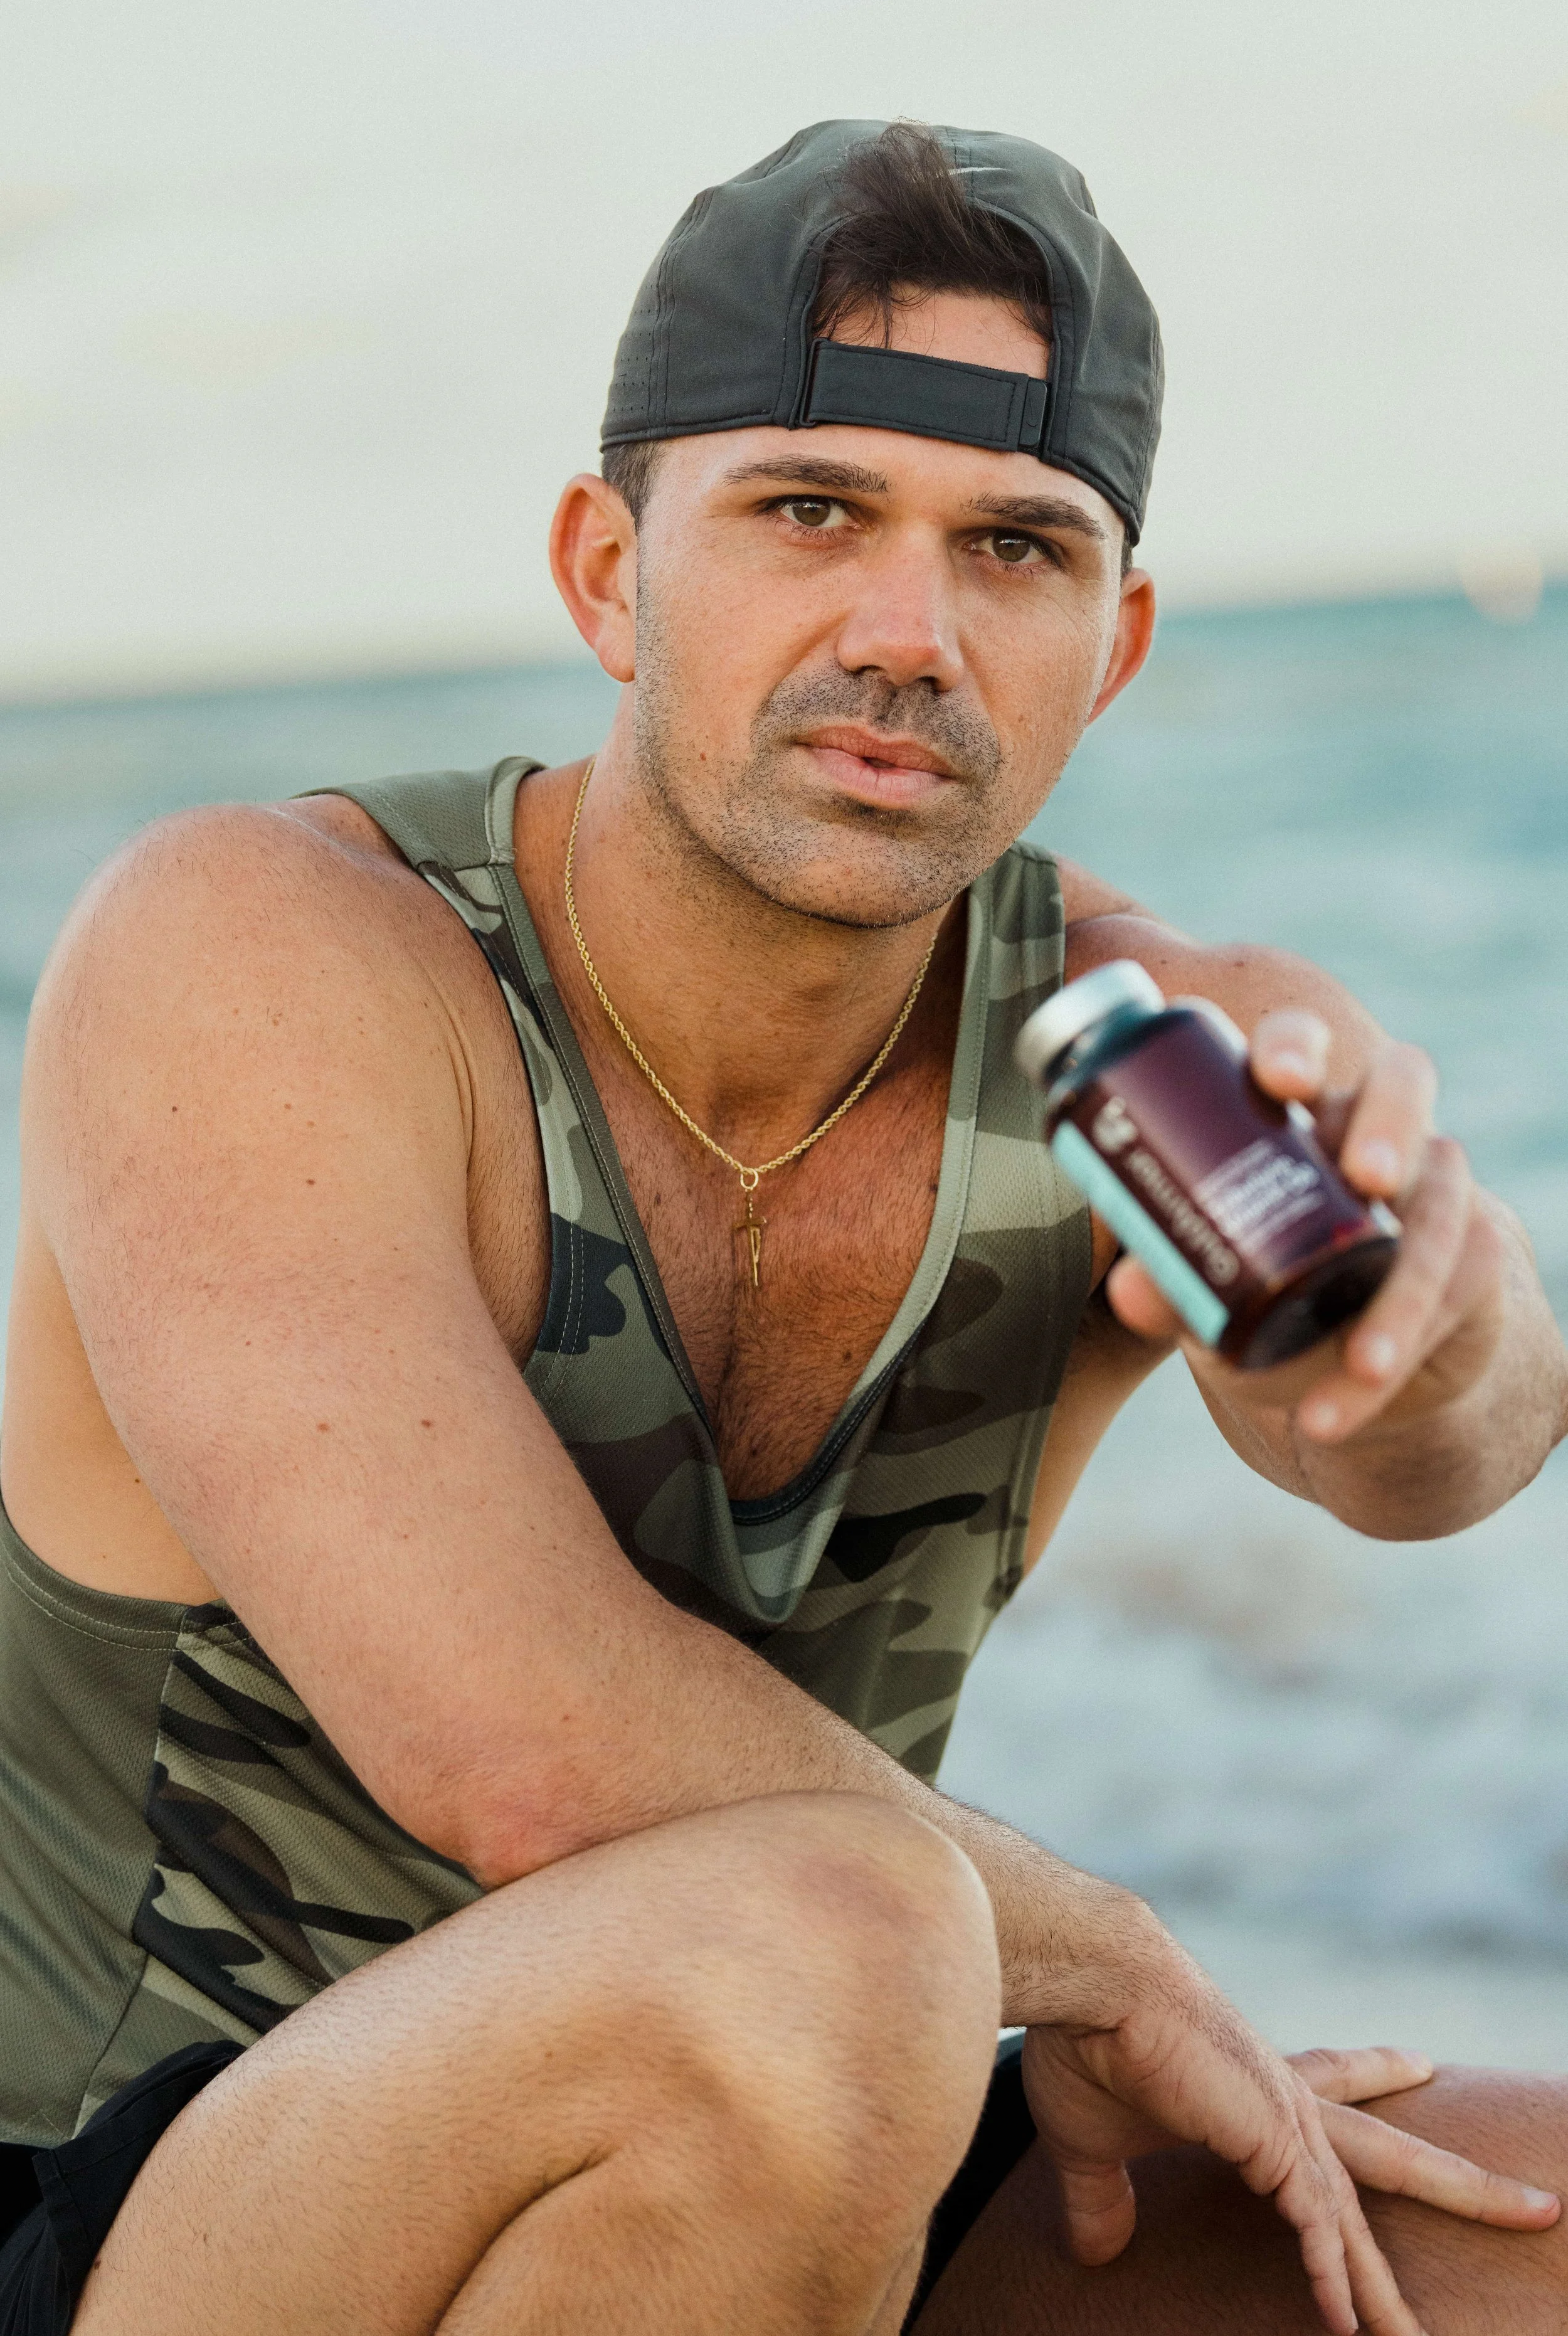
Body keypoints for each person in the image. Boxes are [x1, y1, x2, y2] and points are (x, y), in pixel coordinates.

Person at [1, 117, 1565, 2336]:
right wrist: (1109, 1958)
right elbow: (517, 1744)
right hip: (165, 2201)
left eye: (1015, 548)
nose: (908, 632)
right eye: (808, 512)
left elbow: (1446, 1461)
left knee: (1533, 2224)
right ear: (605, 569)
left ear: (1106, 646)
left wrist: (1426, 1305)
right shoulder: (268, 955)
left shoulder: (1137, 1041)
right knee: (835, 1941)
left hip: (820, 2124)